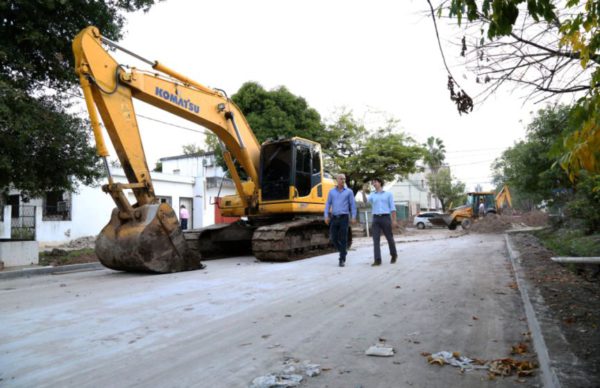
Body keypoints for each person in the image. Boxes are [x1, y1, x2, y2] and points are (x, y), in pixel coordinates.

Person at [324, 174, 357, 267]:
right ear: (337, 180)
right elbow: (327, 204)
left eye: (344, 179)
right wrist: (326, 216)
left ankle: (341, 259)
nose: (343, 180)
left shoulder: (349, 192)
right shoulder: (331, 192)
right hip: (334, 218)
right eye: (341, 179)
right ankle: (343, 251)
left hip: (344, 218)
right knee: (333, 238)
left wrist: (353, 216)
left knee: (343, 238)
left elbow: (352, 205)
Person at [367, 178, 398, 266]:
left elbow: (392, 208)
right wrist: (362, 192)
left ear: (380, 183)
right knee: (375, 239)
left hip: (385, 218)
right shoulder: (372, 195)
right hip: (376, 218)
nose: (374, 183)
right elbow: (366, 201)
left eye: (375, 182)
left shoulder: (388, 194)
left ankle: (394, 254)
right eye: (373, 182)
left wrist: (394, 220)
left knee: (389, 237)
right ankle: (377, 260)